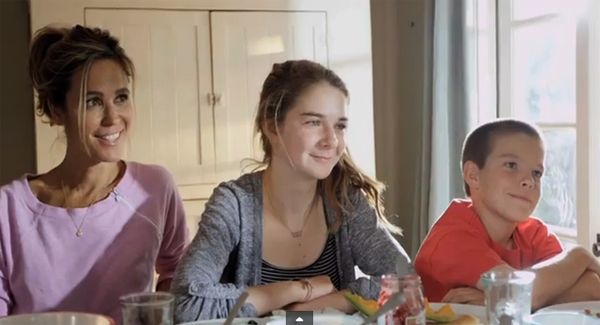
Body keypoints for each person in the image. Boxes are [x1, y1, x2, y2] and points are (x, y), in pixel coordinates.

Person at [171, 59, 413, 321]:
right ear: (272, 126)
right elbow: (185, 304)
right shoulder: (234, 205)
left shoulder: (346, 201)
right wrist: (296, 290)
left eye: (340, 126)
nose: (331, 140)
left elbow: (406, 283)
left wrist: (334, 300)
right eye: (313, 122)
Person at [0, 25, 188, 320]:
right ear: (56, 110)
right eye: (93, 102)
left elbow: (177, 270)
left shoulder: (154, 188)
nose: (113, 118)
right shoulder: (8, 209)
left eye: (122, 97)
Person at [415, 119, 600, 309]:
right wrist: (579, 255)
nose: (529, 181)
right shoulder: (451, 238)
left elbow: (593, 286)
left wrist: (497, 300)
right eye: (511, 165)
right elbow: (524, 292)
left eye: (537, 173)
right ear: (473, 175)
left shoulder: (534, 233)